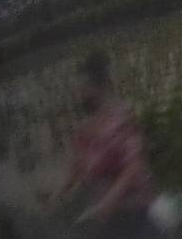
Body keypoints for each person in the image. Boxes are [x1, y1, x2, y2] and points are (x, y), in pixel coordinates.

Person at [47, 51, 155, 224]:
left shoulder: (122, 118)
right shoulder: (83, 128)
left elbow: (134, 166)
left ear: (101, 87)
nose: (78, 94)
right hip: (103, 211)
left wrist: (109, 201)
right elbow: (76, 166)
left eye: (83, 88)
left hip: (135, 208)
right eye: (77, 89)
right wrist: (56, 194)